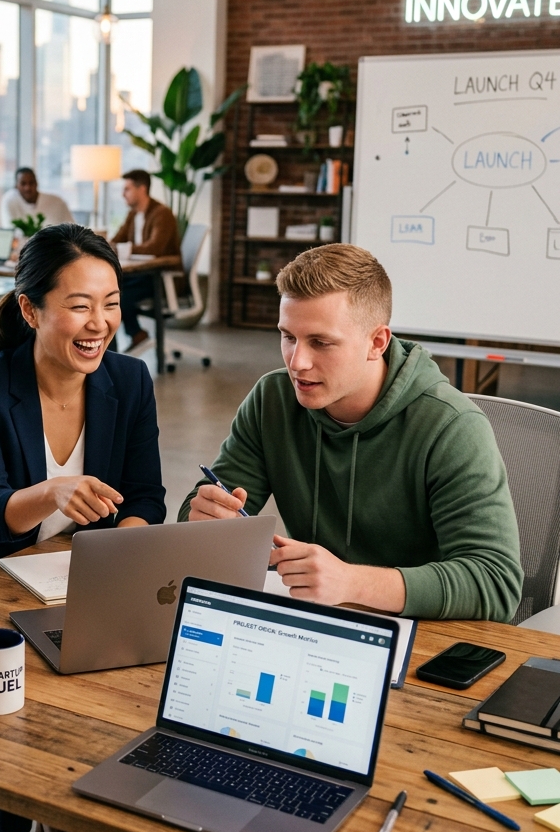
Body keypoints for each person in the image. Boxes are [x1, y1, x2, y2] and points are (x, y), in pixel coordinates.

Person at [0, 223, 166, 832]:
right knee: (15, 688)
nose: (100, 322)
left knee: (102, 684)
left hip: (70, 581)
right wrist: (54, 492)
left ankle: (66, 830)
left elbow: (146, 497)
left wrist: (118, 558)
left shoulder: (130, 381)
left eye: (111, 302)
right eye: (80, 304)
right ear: (31, 309)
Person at [180, 243, 523, 621]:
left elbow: (495, 582)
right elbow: (208, 510)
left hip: (421, 632)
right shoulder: (272, 399)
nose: (298, 362)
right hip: (314, 620)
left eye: (321, 343)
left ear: (377, 342)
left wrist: (351, 582)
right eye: (288, 336)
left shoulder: (452, 426)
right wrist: (204, 520)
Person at [109, 169, 179, 350]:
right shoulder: (133, 214)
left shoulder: (162, 213)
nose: (123, 194)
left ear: (142, 189)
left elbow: (155, 248)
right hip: (141, 275)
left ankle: (117, 352)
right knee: (110, 291)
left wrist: (125, 248)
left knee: (116, 297)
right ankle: (135, 335)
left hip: (160, 278)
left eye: (127, 189)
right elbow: (117, 240)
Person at [0, 167, 74, 230]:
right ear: (16, 186)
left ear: (37, 183)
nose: (27, 188)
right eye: (23, 183)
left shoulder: (57, 202)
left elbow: (72, 228)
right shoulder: (9, 200)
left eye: (31, 183)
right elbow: (9, 230)